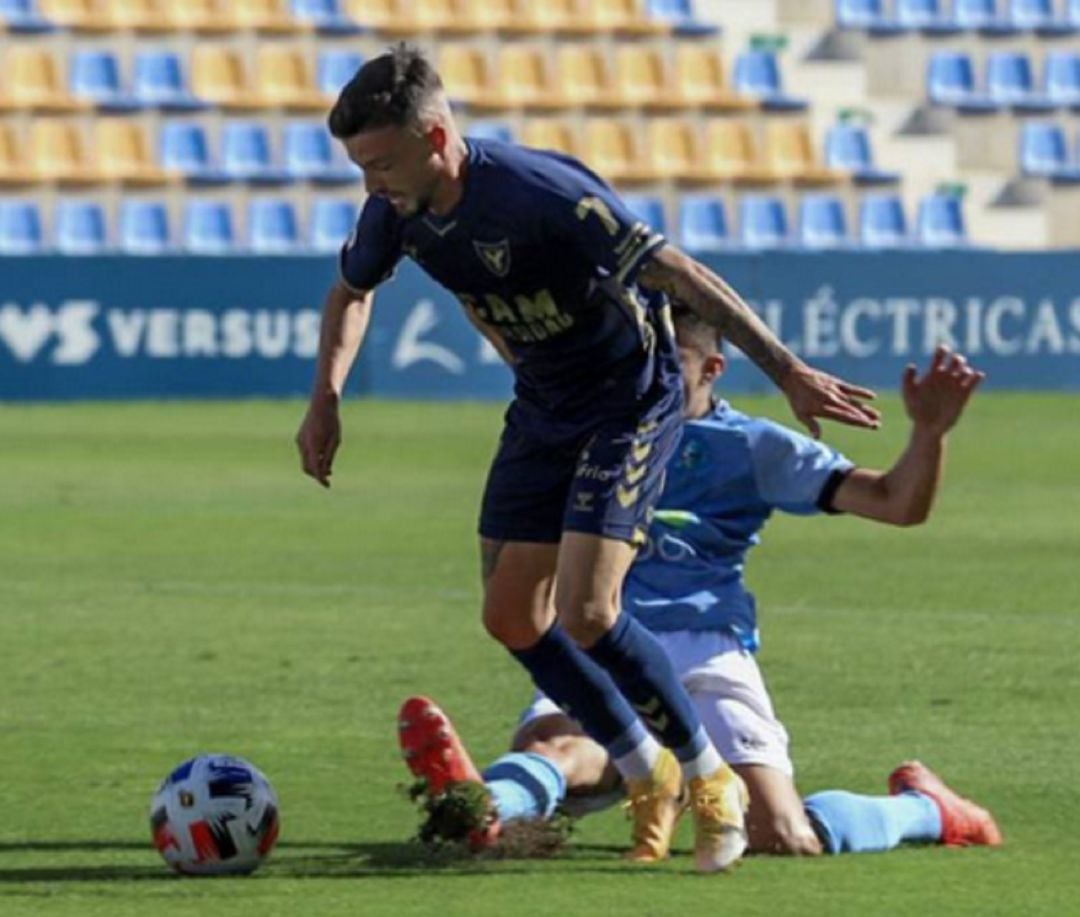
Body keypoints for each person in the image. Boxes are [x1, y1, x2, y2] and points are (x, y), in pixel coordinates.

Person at [295, 43, 879, 872]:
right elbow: (350, 292)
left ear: (434, 138)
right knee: (509, 614)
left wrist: (787, 370)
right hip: (544, 407)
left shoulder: (541, 193)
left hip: (628, 405)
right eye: (358, 165)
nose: (369, 184)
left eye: (380, 161)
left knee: (590, 610)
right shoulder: (396, 212)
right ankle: (648, 767)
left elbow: (679, 268)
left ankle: (711, 782)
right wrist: (327, 397)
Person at [398, 311, 999, 859]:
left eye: (670, 362)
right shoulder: (594, 428)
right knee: (565, 750)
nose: (649, 376)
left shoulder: (751, 446)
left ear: (713, 368)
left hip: (705, 646)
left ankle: (925, 809)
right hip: (598, 634)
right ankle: (479, 808)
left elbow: (896, 503)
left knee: (782, 836)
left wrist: (929, 433)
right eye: (640, 360)